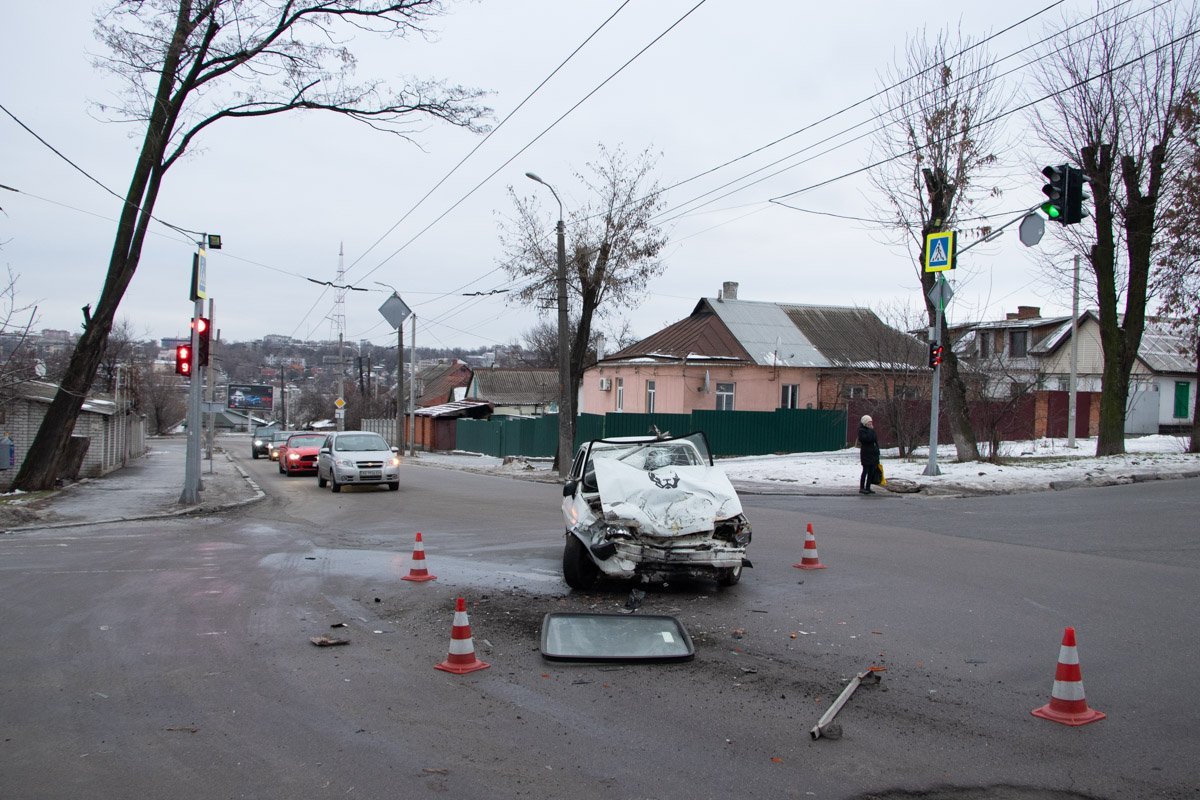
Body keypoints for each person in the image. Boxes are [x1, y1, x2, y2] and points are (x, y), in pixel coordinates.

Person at [857, 414, 880, 494]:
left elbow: (875, 440)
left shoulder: (872, 430)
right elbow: (867, 439)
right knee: (865, 471)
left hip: (873, 454)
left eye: (871, 422)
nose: (870, 424)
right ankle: (862, 488)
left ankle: (868, 487)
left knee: (871, 472)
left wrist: (877, 452)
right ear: (865, 423)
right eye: (869, 422)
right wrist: (870, 431)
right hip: (866, 454)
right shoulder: (862, 431)